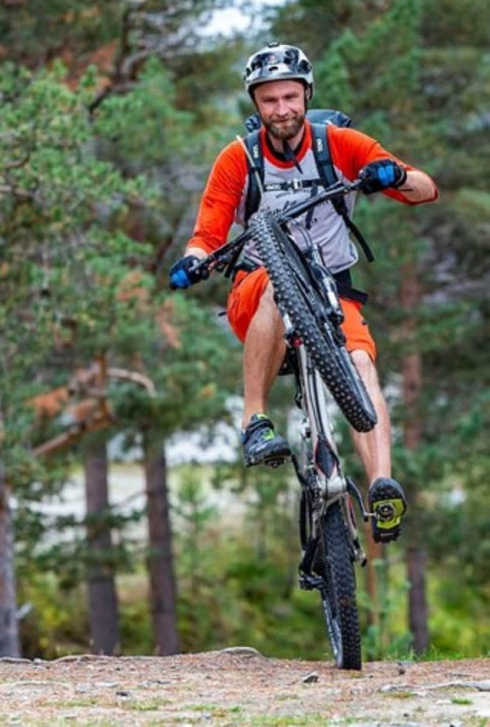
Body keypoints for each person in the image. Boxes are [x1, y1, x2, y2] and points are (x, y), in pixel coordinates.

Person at [170, 42, 438, 543]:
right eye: (269, 100)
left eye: (290, 97)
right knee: (278, 283)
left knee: (361, 363)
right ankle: (255, 420)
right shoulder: (239, 158)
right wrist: (193, 260)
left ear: (307, 96)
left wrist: (396, 174)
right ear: (256, 104)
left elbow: (425, 189)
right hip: (257, 288)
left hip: (332, 291)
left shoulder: (339, 144)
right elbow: (207, 234)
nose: (282, 109)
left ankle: (382, 487)